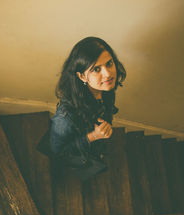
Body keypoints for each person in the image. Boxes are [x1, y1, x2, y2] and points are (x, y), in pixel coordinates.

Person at [38, 37, 126, 180]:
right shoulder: (65, 117)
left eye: (109, 63)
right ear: (82, 76)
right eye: (96, 69)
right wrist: (94, 136)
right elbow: (58, 152)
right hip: (79, 154)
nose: (108, 74)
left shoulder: (106, 88)